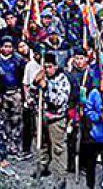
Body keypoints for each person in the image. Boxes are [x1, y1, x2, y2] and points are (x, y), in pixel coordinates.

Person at [35, 52, 71, 182]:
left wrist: (46, 88)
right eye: (45, 67)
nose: (48, 70)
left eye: (50, 67)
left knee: (58, 148)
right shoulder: (42, 78)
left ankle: (60, 176)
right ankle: (42, 167)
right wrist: (36, 82)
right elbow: (34, 95)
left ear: (55, 66)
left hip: (57, 118)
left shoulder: (63, 80)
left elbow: (59, 101)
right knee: (42, 144)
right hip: (42, 116)